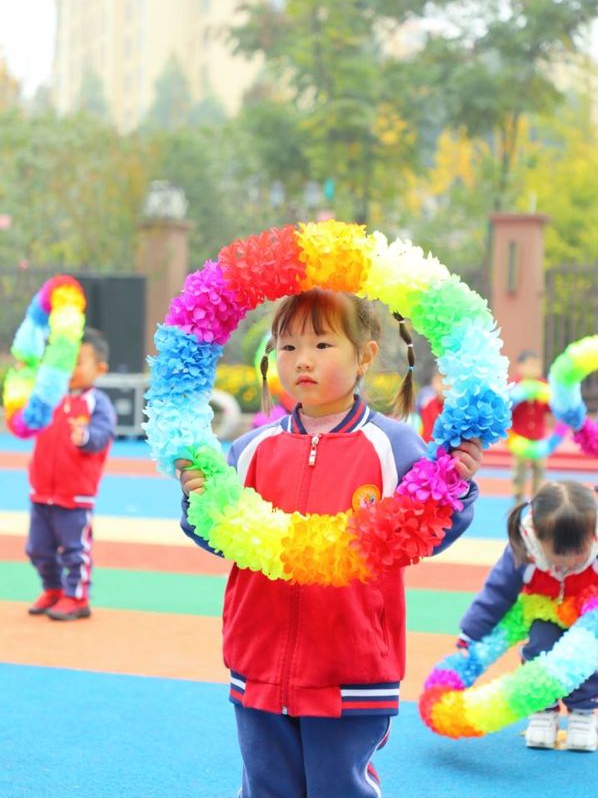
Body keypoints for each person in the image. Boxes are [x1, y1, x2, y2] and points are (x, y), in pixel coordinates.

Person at [177, 289, 482, 797]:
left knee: (339, 787)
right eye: (288, 346)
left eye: (321, 345)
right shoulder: (250, 449)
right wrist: (197, 502)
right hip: (258, 659)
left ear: (364, 355)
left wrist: (456, 486)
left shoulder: (394, 446)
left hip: (351, 665)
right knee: (266, 787)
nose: (303, 360)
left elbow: (427, 532)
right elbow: (222, 536)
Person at [458, 480, 598, 751]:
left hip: (589, 614)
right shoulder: (524, 553)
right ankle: (543, 710)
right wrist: (471, 633)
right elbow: (497, 593)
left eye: (579, 553)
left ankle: (583, 712)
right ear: (539, 540)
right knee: (539, 649)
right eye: (559, 554)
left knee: (585, 659)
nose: (570, 562)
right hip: (544, 609)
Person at [26, 328, 116, 621]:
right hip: (42, 491)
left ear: (99, 369)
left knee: (75, 550)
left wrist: (85, 436)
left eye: (76, 362)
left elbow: (102, 435)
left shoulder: (97, 403)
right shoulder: (50, 397)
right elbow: (29, 420)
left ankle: (77, 597)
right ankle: (53, 589)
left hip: (76, 494)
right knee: (38, 549)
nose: (68, 369)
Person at [510, 350, 551, 503]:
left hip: (538, 437)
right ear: (519, 367)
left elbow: (550, 408)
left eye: (536, 366)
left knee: (539, 467)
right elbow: (508, 409)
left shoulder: (544, 386)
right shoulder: (514, 386)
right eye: (529, 365)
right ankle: (518, 496)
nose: (533, 369)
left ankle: (537, 497)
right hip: (519, 436)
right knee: (519, 468)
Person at [417, 369, 447, 442]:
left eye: (444, 382)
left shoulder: (454, 408)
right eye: (438, 382)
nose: (440, 387)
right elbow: (426, 432)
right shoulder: (429, 405)